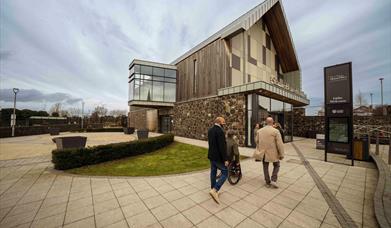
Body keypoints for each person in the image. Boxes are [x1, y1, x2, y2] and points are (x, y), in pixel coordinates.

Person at [254, 117, 284, 188]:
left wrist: (260, 147)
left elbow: (256, 141)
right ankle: (273, 180)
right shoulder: (275, 131)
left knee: (265, 166)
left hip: (263, 152)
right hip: (274, 153)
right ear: (272, 122)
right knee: (277, 165)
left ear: (266, 122)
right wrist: (281, 154)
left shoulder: (260, 131)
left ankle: (267, 182)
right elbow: (280, 143)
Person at [207, 117, 228, 204]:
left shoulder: (210, 130)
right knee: (225, 173)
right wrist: (225, 159)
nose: (224, 124)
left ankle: (212, 189)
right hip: (218, 157)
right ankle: (215, 189)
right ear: (219, 122)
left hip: (211, 155)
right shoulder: (220, 131)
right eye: (223, 122)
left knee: (213, 172)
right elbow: (222, 147)